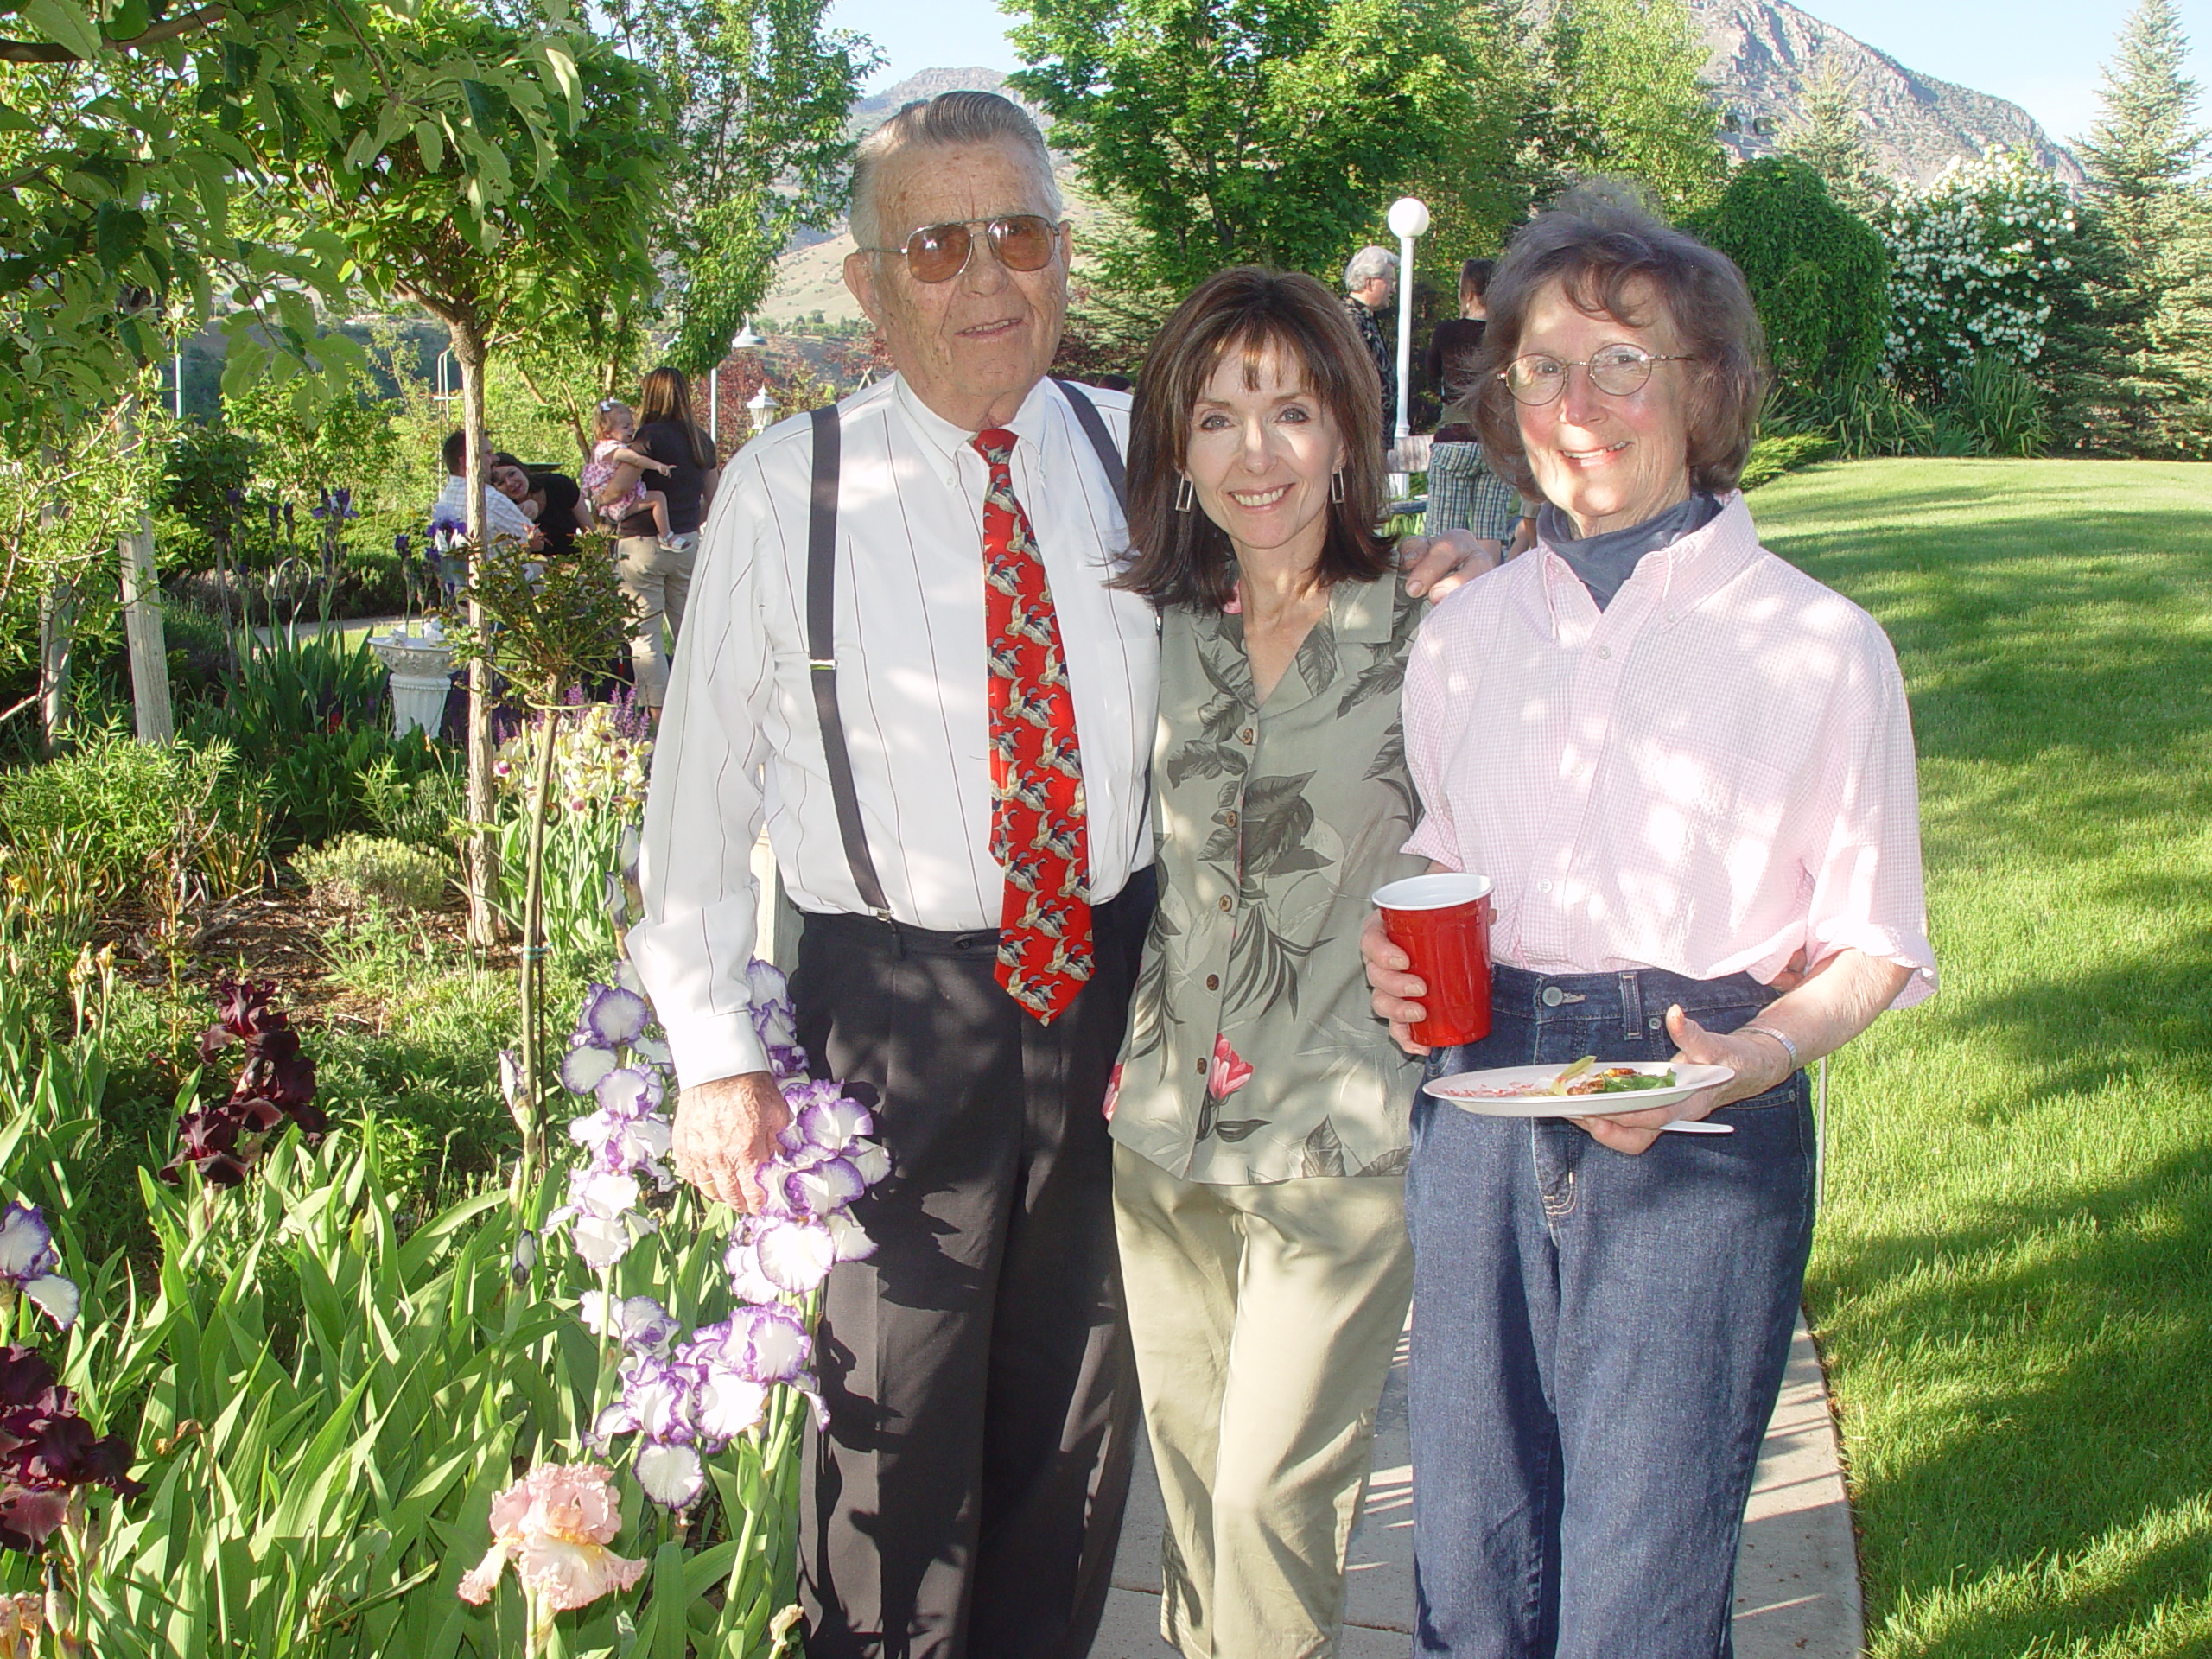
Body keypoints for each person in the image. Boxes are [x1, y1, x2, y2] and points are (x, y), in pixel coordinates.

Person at [629, 91, 1481, 1659]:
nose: (985, 279)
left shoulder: (1129, 452)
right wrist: (713, 1057)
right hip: (890, 1019)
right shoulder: (788, 488)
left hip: (1114, 990)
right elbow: (695, 799)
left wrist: (1434, 575)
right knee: (893, 1425)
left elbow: (1291, 589)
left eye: (1017, 234)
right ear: (873, 286)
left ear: (1063, 259)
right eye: (936, 244)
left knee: (1075, 1429)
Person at [1362, 187, 1938, 1659]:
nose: (1576, 404)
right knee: (1474, 1573)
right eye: (1541, 367)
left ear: (1708, 391)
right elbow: (1444, 852)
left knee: (1642, 1587)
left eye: (1623, 363)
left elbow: (1872, 941)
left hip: (1700, 1103)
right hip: (1482, 1091)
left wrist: (1744, 1058)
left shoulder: (1818, 647)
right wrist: (1402, 970)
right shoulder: (1469, 634)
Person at [1108, 267, 1452, 1658]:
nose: (1259, 456)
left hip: (1340, 1134)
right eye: (1219, 419)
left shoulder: (1435, 630)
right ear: (1179, 454)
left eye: (1293, 414)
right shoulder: (1159, 634)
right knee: (1194, 1506)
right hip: (1163, 1135)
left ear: (1347, 437)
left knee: (1267, 1502)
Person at [594, 367, 721, 709]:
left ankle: (659, 718)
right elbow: (715, 496)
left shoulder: (646, 438)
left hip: (640, 544)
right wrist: (687, 526)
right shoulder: (700, 439)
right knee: (689, 634)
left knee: (645, 637)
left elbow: (620, 485)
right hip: (685, 544)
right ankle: (701, 711)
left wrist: (599, 498)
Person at [1423, 258, 1518, 556]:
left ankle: (1442, 597)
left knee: (1443, 530)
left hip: (1454, 438)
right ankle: (1488, 595)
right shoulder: (1508, 336)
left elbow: (1430, 372)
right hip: (1496, 440)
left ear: (1468, 293)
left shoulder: (1448, 332)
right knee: (1489, 530)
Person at [431, 429, 540, 550]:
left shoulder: (445, 498)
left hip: (454, 568)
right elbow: (536, 542)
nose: (495, 459)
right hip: (500, 568)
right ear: (465, 463)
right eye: (487, 454)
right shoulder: (489, 499)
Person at [582, 400, 673, 539]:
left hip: (612, 501)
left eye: (632, 425)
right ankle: (667, 536)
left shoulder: (600, 448)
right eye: (625, 427)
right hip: (617, 502)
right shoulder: (613, 450)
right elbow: (636, 459)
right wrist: (658, 466)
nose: (632, 429)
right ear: (607, 432)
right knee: (658, 498)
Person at [1341, 245, 1398, 444]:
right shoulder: (1350, 319)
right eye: (1389, 281)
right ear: (1370, 282)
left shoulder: (1366, 318)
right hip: (1358, 438)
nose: (1393, 288)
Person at [490, 454, 591, 559]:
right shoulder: (501, 509)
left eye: (512, 474)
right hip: (534, 569)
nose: (510, 483)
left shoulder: (559, 484)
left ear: (522, 469)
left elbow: (589, 532)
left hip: (576, 562)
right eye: (501, 482)